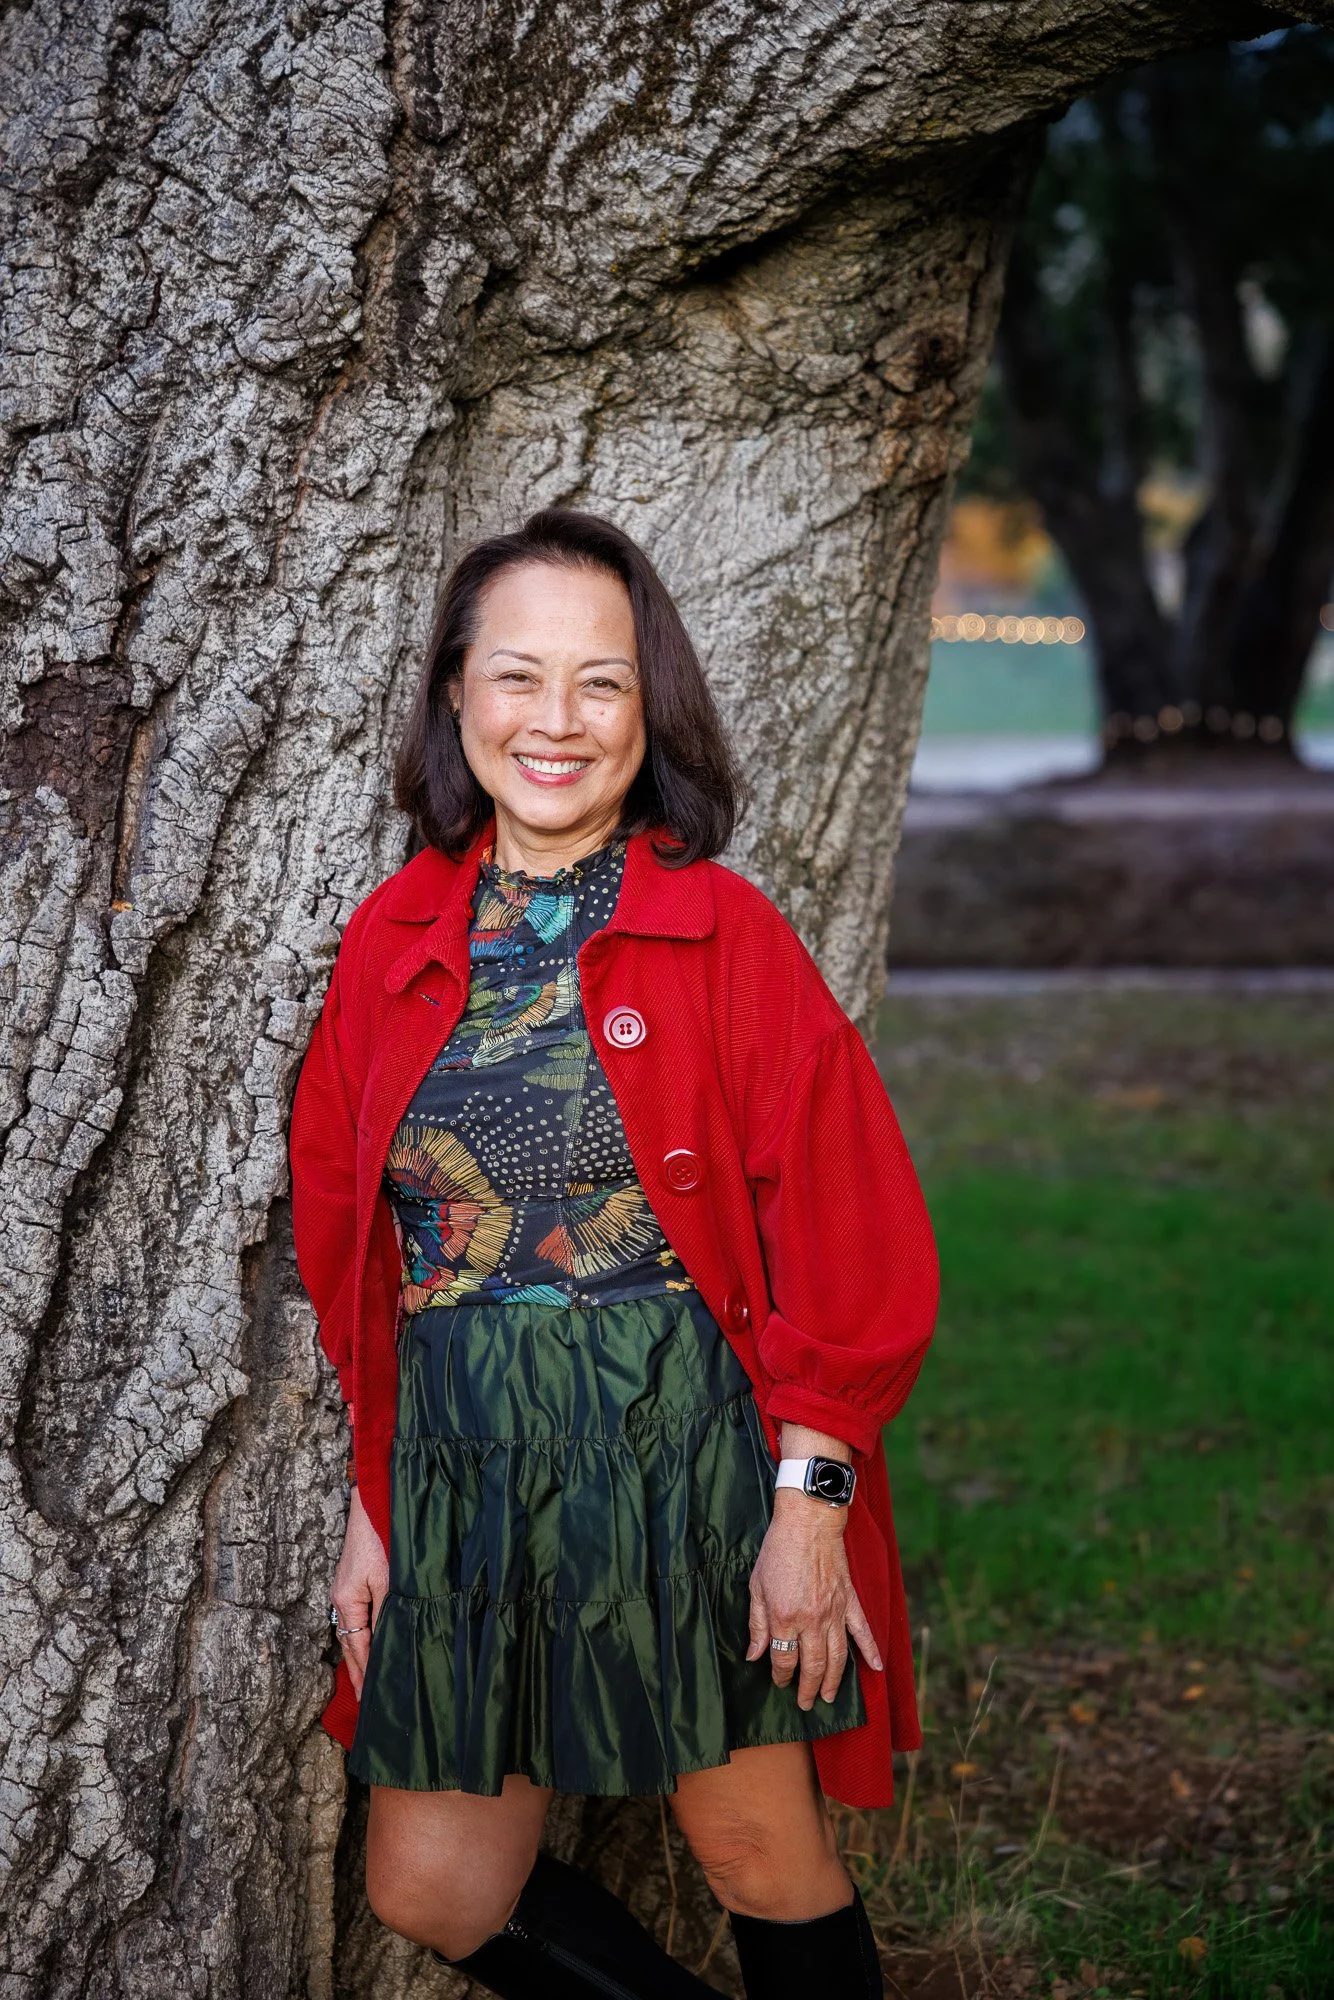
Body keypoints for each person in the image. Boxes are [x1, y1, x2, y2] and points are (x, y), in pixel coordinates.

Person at [288, 508, 939, 1999]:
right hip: (465, 1452)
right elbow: (361, 1264)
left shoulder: (720, 936)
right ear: (456, 696)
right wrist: (378, 1498)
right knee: (435, 1887)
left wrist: (809, 1512)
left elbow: (858, 1245)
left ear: (653, 714)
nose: (557, 722)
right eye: (518, 677)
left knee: (755, 1854)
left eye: (602, 684)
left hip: (679, 1432)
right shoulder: (388, 941)